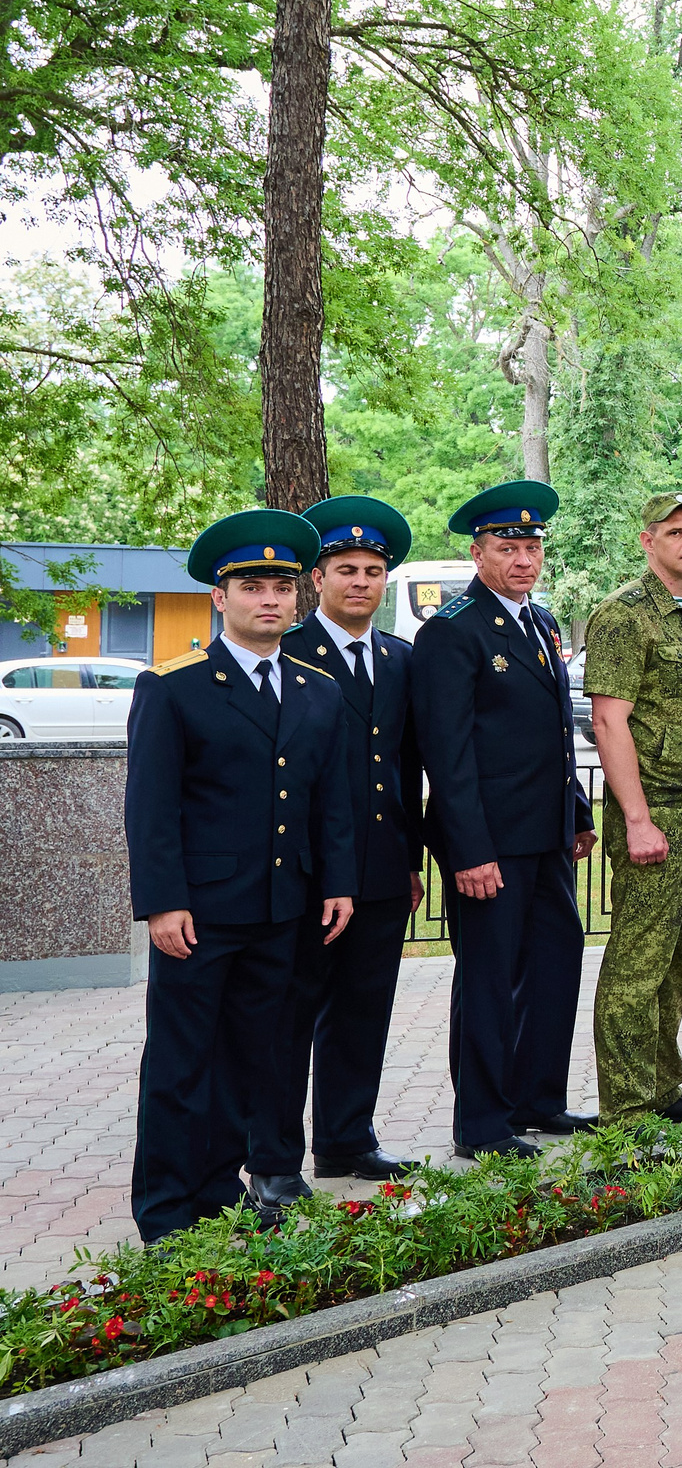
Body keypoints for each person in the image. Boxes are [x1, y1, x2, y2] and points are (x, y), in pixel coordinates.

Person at [126, 511, 358, 1242]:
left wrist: (339, 881)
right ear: (219, 598)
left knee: (253, 1060)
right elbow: (152, 808)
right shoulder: (175, 686)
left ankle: (222, 1199)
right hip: (201, 912)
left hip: (283, 908)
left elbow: (333, 800)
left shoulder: (318, 687)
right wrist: (163, 903)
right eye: (251, 586)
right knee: (181, 1062)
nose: (269, 599)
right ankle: (167, 1212)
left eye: (281, 587)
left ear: (298, 598)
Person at [412, 481, 596, 1160]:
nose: (522, 559)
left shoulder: (540, 622)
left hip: (544, 835)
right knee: (489, 977)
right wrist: (469, 849)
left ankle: (538, 1098)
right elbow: (448, 754)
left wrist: (576, 811)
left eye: (531, 546)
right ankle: (483, 1121)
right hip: (488, 845)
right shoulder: (453, 630)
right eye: (507, 547)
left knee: (556, 961)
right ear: (478, 551)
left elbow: (553, 732)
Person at [269, 495, 425, 1186]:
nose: (360, 581)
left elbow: (410, 764)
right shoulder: (289, 651)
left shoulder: (399, 657)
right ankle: (273, 1156)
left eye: (372, 570)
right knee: (292, 1015)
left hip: (385, 866)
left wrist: (413, 858)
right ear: (318, 579)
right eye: (346, 569)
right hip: (308, 871)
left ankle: (345, 1137)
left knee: (365, 1010)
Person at [583, 494, 682, 1128]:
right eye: (676, 532)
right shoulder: (624, 614)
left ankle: (662, 1087)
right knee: (636, 965)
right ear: (648, 541)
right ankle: (627, 1109)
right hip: (655, 811)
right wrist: (637, 819)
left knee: (675, 960)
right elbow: (608, 720)